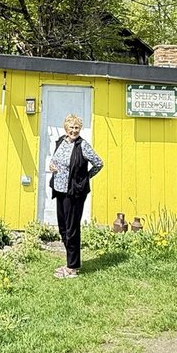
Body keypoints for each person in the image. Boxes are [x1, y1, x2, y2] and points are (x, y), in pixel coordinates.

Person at [48, 113, 103, 278]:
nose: (74, 130)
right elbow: (56, 160)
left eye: (77, 128)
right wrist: (51, 166)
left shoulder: (82, 145)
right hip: (59, 189)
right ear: (66, 128)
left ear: (80, 129)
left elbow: (99, 163)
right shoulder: (60, 141)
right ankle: (71, 262)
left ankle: (72, 268)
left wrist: (84, 178)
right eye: (71, 127)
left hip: (74, 193)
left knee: (72, 229)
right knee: (63, 227)